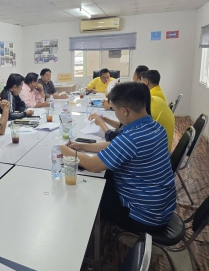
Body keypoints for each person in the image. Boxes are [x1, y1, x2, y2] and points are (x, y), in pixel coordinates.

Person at [60, 82, 176, 232]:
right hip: (161, 207)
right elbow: (114, 146)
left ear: (124, 111)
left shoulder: (131, 138)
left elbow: (93, 165)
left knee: (86, 190)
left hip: (143, 214)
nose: (114, 113)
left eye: (114, 110)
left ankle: (83, 240)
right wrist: (81, 146)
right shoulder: (155, 127)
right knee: (102, 177)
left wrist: (63, 149)